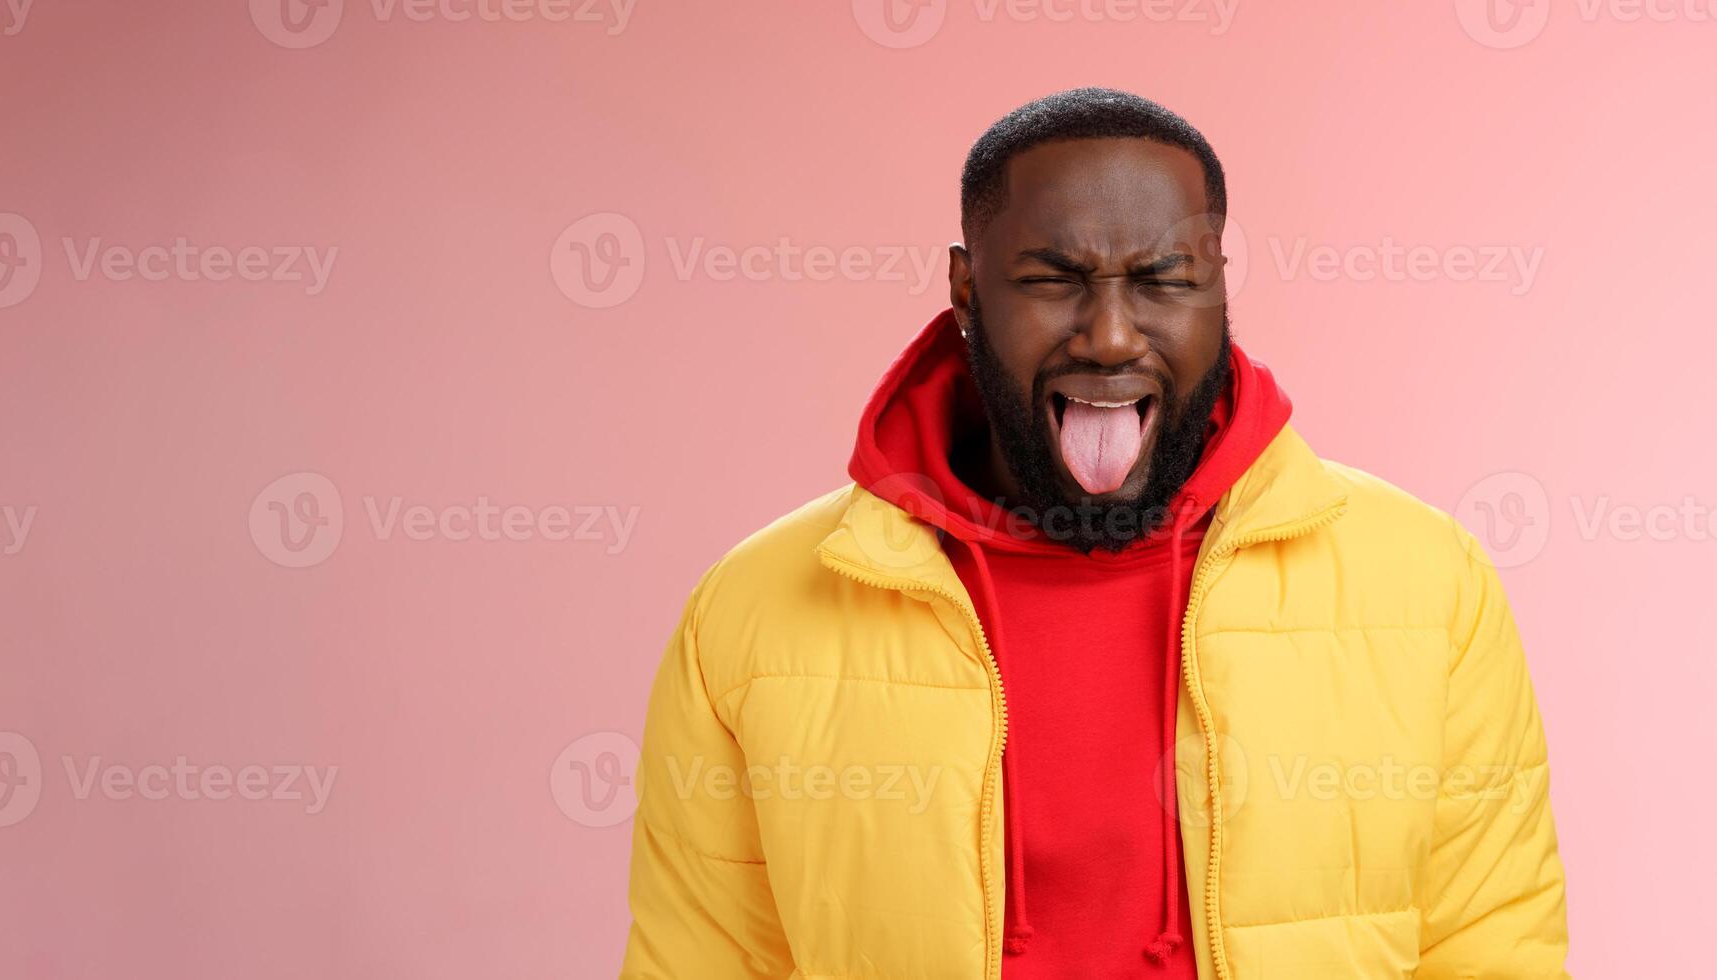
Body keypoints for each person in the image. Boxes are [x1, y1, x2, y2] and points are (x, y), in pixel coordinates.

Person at [622, 87, 1569, 979]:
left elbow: (1490, 946)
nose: (1111, 336)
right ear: (965, 291)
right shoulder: (753, 610)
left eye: (1164, 279)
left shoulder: (1424, 583)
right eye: (1052, 279)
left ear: (1219, 290)